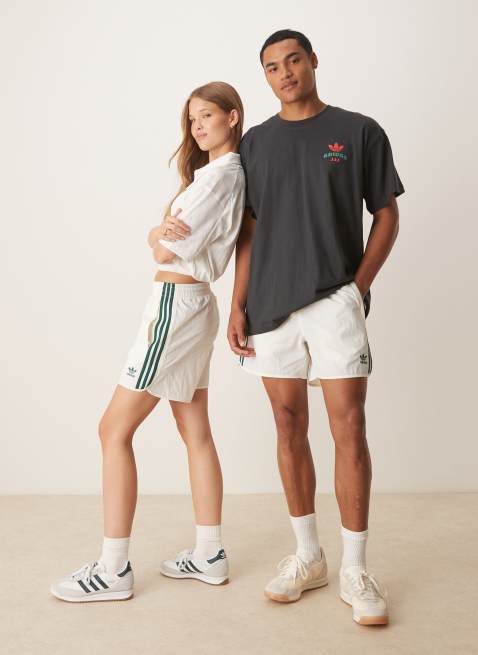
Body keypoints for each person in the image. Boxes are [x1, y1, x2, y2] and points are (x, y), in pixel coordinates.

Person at [228, 30, 405, 626]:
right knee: (287, 424)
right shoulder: (255, 142)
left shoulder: (358, 131)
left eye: (293, 60)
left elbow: (387, 213)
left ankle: (355, 568)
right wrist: (237, 304)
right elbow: (249, 229)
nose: (284, 73)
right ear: (265, 76)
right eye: (272, 67)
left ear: (313, 62)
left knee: (348, 425)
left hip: (334, 299)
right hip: (270, 305)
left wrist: (357, 287)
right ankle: (309, 556)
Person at [50, 81, 246, 602]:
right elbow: (163, 239)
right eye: (192, 119)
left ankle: (113, 569)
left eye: (207, 116)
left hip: (175, 308)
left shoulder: (218, 179)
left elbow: (164, 251)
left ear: (232, 116)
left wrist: (156, 234)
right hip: (194, 304)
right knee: (194, 428)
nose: (197, 126)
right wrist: (157, 232)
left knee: (112, 429)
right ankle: (209, 553)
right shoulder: (221, 176)